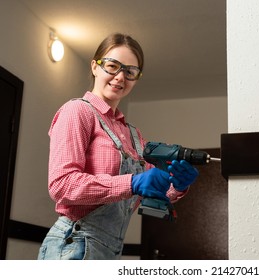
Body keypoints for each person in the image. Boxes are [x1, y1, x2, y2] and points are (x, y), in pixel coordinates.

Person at [37, 32, 199, 260]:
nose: (120, 77)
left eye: (130, 72)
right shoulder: (78, 111)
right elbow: (62, 186)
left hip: (110, 250)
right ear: (95, 67)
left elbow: (153, 190)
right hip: (74, 244)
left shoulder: (132, 134)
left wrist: (177, 184)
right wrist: (132, 182)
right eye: (112, 66)